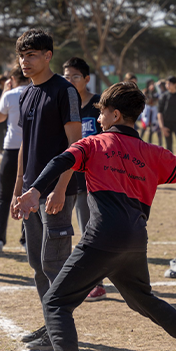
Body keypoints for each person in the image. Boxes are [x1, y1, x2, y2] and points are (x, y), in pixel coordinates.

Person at [17, 82, 176, 351]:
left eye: (101, 112)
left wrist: (34, 190)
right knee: (142, 298)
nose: (98, 118)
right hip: (135, 239)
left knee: (56, 302)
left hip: (103, 237)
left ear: (115, 114)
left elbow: (61, 161)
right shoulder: (154, 153)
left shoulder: (94, 144)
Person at [10, 29, 82, 351]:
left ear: (48, 56)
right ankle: (50, 325)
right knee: (37, 265)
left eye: (32, 55)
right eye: (22, 55)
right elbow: (24, 147)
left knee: (54, 264)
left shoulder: (64, 92)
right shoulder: (25, 94)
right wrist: (17, 190)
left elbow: (75, 146)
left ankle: (60, 331)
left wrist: (61, 188)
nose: (25, 61)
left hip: (55, 192)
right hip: (30, 193)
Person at [62, 56, 107, 302]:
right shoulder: (62, 102)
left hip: (92, 182)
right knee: (61, 233)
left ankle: (96, 283)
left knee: (89, 232)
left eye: (75, 76)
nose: (69, 81)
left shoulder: (99, 105)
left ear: (87, 79)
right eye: (66, 77)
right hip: (66, 180)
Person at [0, 67, 28, 253]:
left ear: (12, 78)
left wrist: (5, 90)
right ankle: (26, 239)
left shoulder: (10, 94)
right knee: (29, 193)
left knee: (4, 195)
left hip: (12, 148)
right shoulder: (35, 92)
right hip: (31, 149)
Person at [142, 79, 162, 146]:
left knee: (153, 126)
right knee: (145, 125)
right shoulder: (146, 91)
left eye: (152, 84)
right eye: (150, 84)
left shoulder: (155, 92)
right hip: (147, 110)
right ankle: (139, 139)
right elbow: (145, 100)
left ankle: (150, 142)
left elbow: (157, 98)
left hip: (153, 110)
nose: (152, 85)